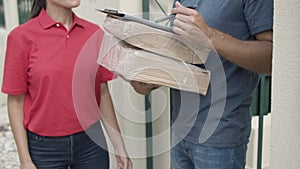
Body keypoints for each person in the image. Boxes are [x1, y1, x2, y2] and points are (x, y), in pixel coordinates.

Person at [131, 0, 273, 168]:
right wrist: (154, 78)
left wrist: (210, 35)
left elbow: (272, 59)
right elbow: (184, 53)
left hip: (220, 135)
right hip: (179, 131)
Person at [1, 0, 133, 169]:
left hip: (91, 145)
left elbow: (102, 91)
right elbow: (16, 101)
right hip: (44, 150)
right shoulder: (21, 37)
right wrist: (25, 159)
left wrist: (119, 147)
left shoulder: (95, 34)